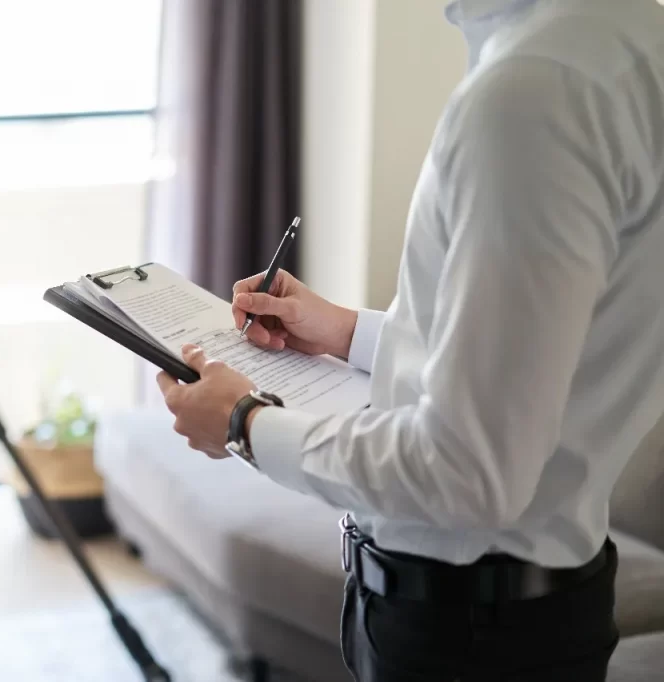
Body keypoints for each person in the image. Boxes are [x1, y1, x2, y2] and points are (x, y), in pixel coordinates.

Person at [157, 0, 664, 680]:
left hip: (468, 636)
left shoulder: (535, 90)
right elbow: (540, 351)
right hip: (523, 613)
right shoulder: (625, 39)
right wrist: (347, 332)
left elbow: (467, 470)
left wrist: (245, 423)